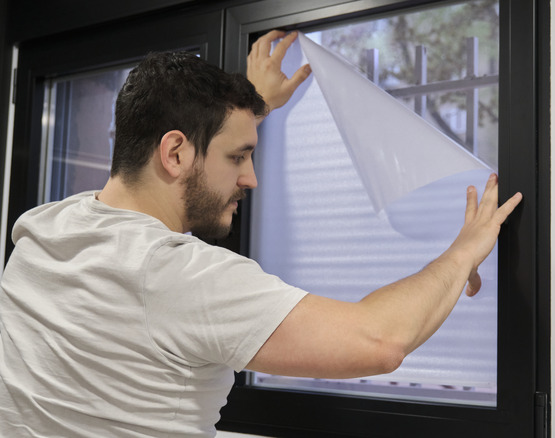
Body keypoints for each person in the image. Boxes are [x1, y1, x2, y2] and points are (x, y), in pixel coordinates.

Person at [0, 31, 522, 437]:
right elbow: (380, 341)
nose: (250, 177)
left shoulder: (47, 227)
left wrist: (249, 110)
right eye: (239, 156)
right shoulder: (176, 276)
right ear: (175, 153)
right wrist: (460, 254)